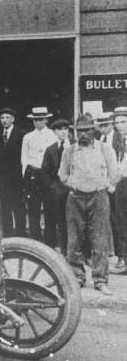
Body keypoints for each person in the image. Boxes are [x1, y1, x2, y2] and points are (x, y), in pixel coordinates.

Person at [59, 114, 120, 295]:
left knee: (99, 239)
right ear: (76, 132)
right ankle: (77, 277)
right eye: (80, 131)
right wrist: (74, 184)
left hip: (98, 197)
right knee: (74, 239)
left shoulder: (104, 149)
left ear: (93, 130)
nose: (83, 134)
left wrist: (105, 184)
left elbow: (114, 172)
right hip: (75, 198)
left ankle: (100, 280)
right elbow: (62, 175)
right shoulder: (69, 151)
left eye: (87, 130)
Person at [21, 106, 57, 241]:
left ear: (46, 120)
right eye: (35, 120)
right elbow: (24, 159)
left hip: (47, 175)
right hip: (33, 174)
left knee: (49, 209)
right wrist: (26, 176)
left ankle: (50, 242)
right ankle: (34, 240)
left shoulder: (52, 135)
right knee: (33, 209)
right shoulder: (28, 137)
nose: (37, 122)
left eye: (40, 119)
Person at [0, 107, 27, 237]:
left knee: (18, 207)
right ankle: (7, 235)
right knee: (4, 208)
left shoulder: (22, 134)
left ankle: (20, 235)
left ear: (13, 119)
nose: (4, 121)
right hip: (1, 179)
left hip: (16, 178)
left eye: (7, 118)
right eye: (2, 118)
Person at [40, 118, 71, 254]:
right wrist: (52, 186)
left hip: (70, 189)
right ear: (54, 132)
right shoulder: (50, 149)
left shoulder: (74, 147)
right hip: (54, 189)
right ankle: (50, 250)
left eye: (65, 129)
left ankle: (67, 250)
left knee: (67, 222)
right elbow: (44, 171)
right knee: (51, 220)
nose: (63, 132)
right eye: (59, 129)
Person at [96, 112, 122, 269]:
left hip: (116, 185)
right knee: (107, 219)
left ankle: (121, 256)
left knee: (118, 219)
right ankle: (111, 251)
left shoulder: (118, 139)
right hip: (103, 185)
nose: (104, 128)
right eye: (101, 125)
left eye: (106, 125)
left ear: (111, 125)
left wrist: (113, 183)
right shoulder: (100, 139)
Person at [109, 107, 127, 274]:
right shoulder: (120, 141)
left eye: (123, 122)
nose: (120, 126)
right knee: (121, 221)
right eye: (117, 123)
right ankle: (124, 259)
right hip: (122, 183)